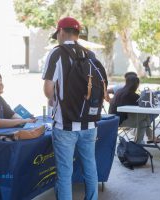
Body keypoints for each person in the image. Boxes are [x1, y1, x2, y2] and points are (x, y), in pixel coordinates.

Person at [43, 17, 106, 200]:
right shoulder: (90, 54)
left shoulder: (56, 54)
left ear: (61, 32)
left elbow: (48, 89)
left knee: (65, 173)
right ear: (77, 33)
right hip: (90, 123)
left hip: (66, 125)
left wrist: (53, 100)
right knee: (90, 166)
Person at [109, 75, 160, 144]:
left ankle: (138, 143)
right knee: (146, 116)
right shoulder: (131, 95)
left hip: (113, 120)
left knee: (144, 122)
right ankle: (149, 137)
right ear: (136, 84)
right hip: (121, 121)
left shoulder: (120, 91)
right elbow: (144, 104)